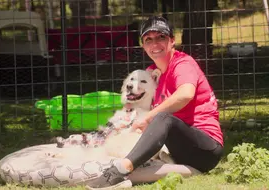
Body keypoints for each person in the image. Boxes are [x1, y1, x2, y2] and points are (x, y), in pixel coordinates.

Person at [87, 16, 224, 189]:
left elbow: (185, 94)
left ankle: (120, 171)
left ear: (172, 41)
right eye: (148, 39)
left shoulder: (183, 64)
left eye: (161, 37)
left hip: (205, 148)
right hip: (178, 148)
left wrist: (148, 117)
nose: (155, 44)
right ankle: (177, 170)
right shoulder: (153, 73)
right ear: (143, 46)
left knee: (162, 117)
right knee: (154, 120)